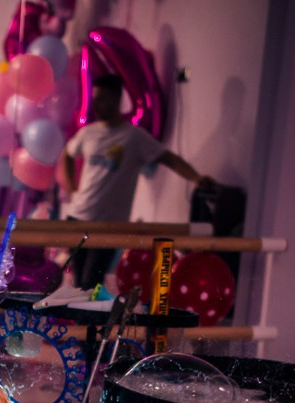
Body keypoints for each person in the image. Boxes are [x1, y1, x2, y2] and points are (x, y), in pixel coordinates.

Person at [58, 73, 210, 292]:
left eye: (102, 99)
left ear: (116, 98)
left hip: (109, 225)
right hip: (79, 216)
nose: (96, 105)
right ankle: (80, 314)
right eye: (95, 99)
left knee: (90, 284)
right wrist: (72, 188)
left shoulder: (134, 137)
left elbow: (168, 158)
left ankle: (88, 314)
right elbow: (68, 154)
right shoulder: (87, 133)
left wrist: (196, 178)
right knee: (78, 282)